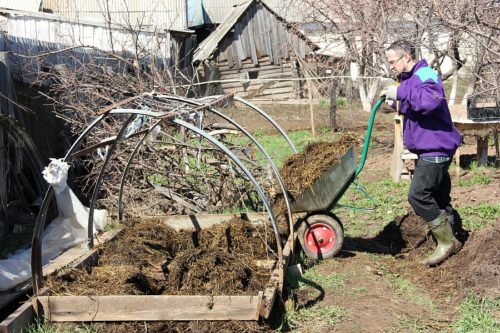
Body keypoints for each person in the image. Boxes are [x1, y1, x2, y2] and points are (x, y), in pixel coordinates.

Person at [380, 40, 462, 266]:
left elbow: (429, 102)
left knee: (418, 195)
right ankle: (453, 237)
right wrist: (397, 102)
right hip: (429, 146)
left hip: (436, 147)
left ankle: (447, 243)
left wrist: (400, 91)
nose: (391, 67)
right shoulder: (412, 79)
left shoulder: (426, 73)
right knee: (438, 197)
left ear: (406, 57)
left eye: (392, 62)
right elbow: (417, 107)